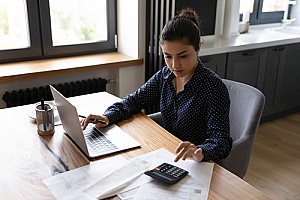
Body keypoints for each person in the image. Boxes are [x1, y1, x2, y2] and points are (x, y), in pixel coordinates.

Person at [81, 8, 232, 163]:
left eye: (183, 56)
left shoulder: (213, 87)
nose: (175, 65)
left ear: (198, 48)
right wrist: (107, 116)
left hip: (198, 164)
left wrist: (201, 151)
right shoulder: (165, 76)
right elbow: (134, 101)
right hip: (168, 154)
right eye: (168, 56)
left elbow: (221, 140)